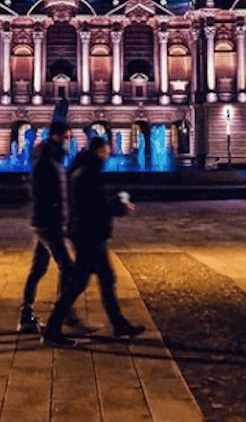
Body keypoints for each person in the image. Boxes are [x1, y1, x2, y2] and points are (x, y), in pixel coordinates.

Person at [66, 136, 146, 339]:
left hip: (87, 233)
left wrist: (114, 201)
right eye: (106, 151)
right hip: (90, 234)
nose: (109, 154)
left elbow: (93, 203)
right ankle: (54, 324)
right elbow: (95, 207)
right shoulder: (89, 173)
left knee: (103, 279)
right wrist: (120, 206)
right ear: (99, 151)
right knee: (83, 282)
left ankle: (120, 325)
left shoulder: (82, 170)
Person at [19, 119, 81, 347]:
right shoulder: (47, 161)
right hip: (48, 223)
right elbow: (47, 195)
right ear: (57, 137)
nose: (69, 141)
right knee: (69, 269)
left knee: (38, 268)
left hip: (44, 222)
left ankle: (26, 315)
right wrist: (59, 218)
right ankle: (57, 324)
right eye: (67, 137)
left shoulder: (50, 158)